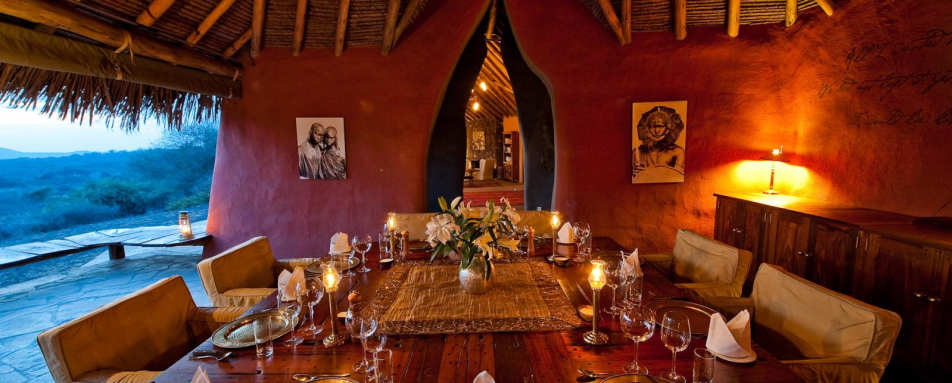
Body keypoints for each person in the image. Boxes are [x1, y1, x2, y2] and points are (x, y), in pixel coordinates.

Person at [632, 106, 685, 181]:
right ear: (647, 128)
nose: (657, 131)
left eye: (660, 126)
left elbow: (677, 179)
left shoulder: (678, 152)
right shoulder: (637, 152)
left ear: (668, 129)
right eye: (652, 126)